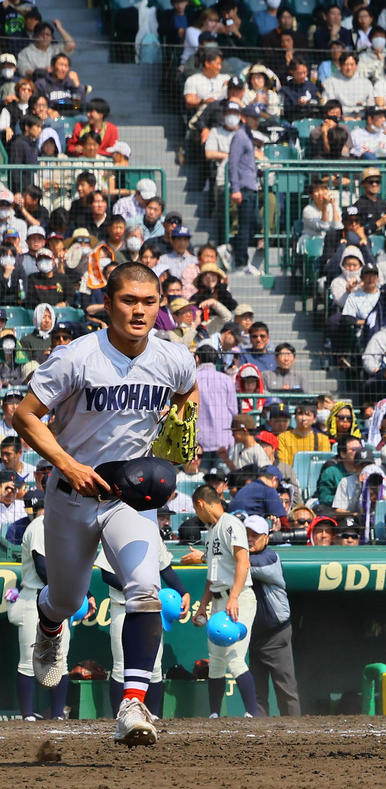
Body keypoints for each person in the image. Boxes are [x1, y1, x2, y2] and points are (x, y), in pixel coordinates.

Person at [13, 262, 198, 746]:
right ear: (108, 304)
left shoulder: (174, 357)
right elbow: (25, 416)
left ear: (161, 306)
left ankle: (132, 705)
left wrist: (181, 422)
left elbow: (188, 390)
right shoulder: (75, 358)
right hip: (72, 495)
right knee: (68, 598)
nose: (139, 310)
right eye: (128, 301)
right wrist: (67, 464)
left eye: (149, 301)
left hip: (127, 496)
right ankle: (49, 621)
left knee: (144, 590)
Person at [95, 525, 188, 717]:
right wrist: (136, 587)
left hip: (149, 609)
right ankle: (119, 716)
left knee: (154, 666)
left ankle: (153, 716)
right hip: (123, 606)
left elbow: (166, 568)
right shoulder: (116, 529)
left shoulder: (151, 530)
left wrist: (183, 591)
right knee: (121, 665)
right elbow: (106, 574)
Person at [193, 487, 262, 719]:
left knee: (234, 656)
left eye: (196, 509)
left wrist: (233, 597)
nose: (197, 514)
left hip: (238, 598)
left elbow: (243, 562)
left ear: (201, 504)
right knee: (216, 659)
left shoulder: (231, 523)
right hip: (218, 599)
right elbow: (211, 577)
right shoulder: (212, 531)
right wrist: (203, 605)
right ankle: (214, 714)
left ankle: (252, 714)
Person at [13, 515, 89, 721]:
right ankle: (27, 715)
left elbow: (73, 567)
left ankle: (57, 714)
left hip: (57, 597)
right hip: (35, 597)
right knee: (28, 661)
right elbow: (42, 567)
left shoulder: (66, 525)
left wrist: (85, 593)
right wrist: (70, 591)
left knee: (60, 658)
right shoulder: (40, 525)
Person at [248, 517, 301, 716]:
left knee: (286, 689)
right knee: (256, 694)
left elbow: (243, 565)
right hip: (252, 636)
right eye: (246, 536)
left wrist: (206, 557)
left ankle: (296, 735)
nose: (250, 540)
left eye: (255, 535)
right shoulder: (240, 556)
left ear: (266, 538)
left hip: (275, 635)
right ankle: (260, 738)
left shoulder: (269, 557)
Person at [228, 103, 262, 274]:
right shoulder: (240, 136)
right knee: (244, 226)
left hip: (251, 187)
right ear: (244, 117)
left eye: (257, 118)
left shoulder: (248, 135)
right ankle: (241, 262)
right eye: (253, 118)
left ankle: (233, 247)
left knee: (256, 223)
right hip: (244, 188)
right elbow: (232, 164)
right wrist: (235, 188)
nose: (256, 121)